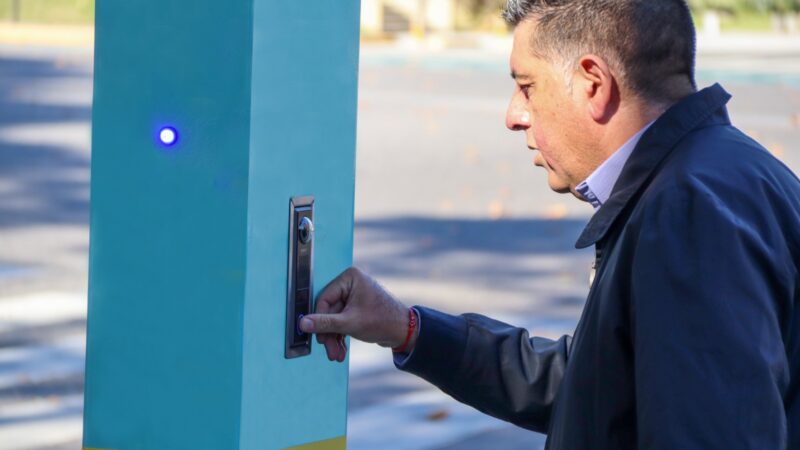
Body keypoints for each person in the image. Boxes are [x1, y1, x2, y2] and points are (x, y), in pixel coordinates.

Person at [299, 1, 800, 448]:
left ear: (592, 83)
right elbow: (598, 385)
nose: (514, 115)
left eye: (526, 86)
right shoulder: (726, 173)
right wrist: (408, 329)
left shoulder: (689, 214)